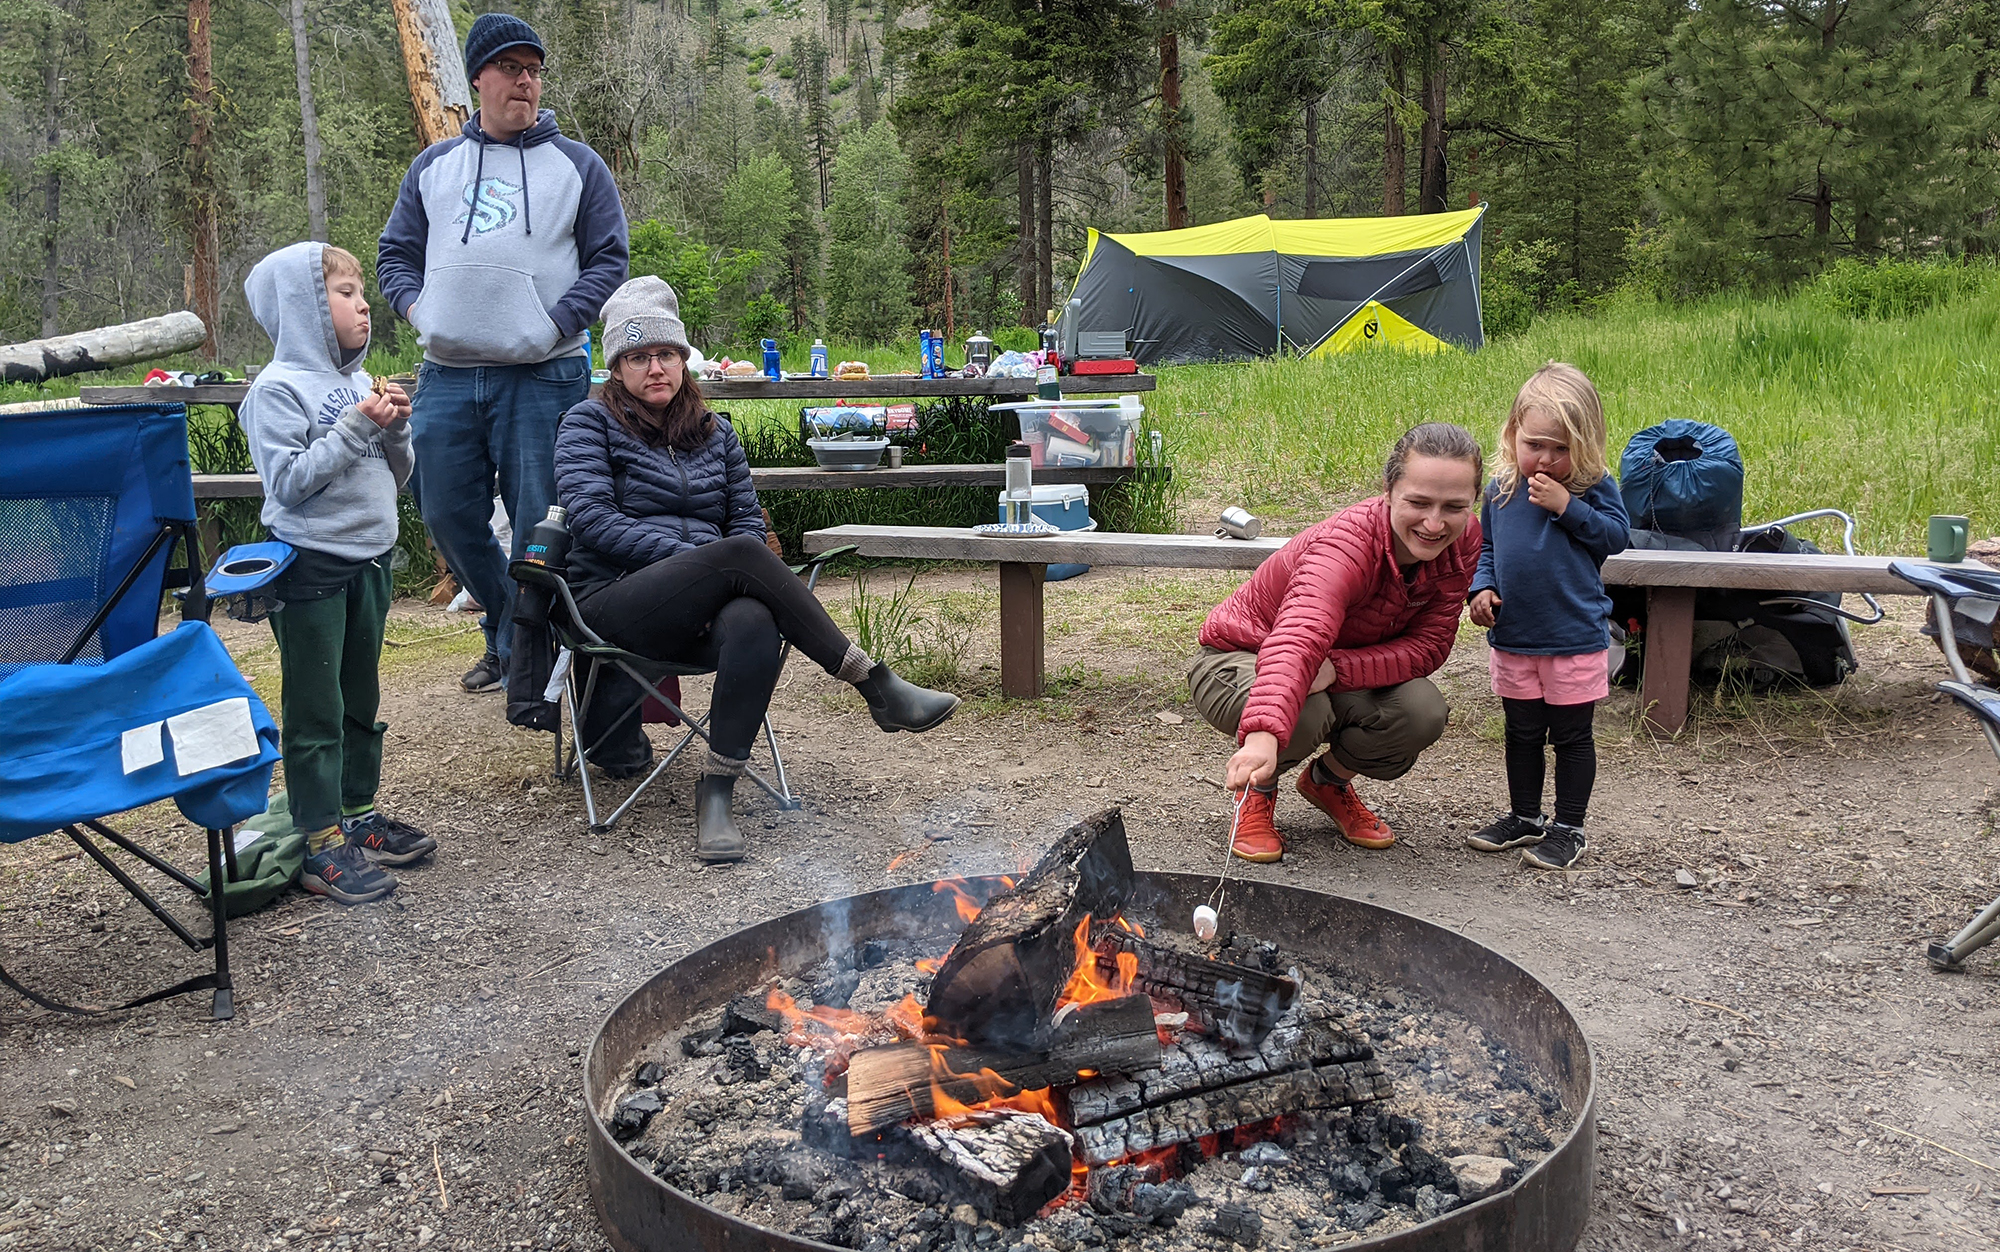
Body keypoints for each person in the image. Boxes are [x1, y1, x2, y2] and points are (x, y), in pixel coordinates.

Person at [552, 277, 961, 862]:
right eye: (638, 357)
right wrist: (696, 560)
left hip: (708, 603)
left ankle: (717, 793)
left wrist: (711, 568)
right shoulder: (586, 425)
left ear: (683, 359)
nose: (655, 368)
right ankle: (874, 683)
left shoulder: (716, 434)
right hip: (615, 602)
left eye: (665, 354)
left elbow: (743, 523)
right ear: (616, 367)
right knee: (742, 556)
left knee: (752, 620)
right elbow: (591, 521)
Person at [376, 12, 629, 694]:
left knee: (541, 520)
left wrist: (553, 324)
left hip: (544, 374)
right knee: (446, 512)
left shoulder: (577, 166)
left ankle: (535, 663)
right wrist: (418, 308)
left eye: (535, 70)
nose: (527, 81)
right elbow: (395, 255)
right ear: (480, 78)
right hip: (449, 375)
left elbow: (609, 261)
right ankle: (509, 636)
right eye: (513, 69)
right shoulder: (434, 167)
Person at [239, 242, 438, 904]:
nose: (363, 305)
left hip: (371, 560)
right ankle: (319, 839)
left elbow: (397, 479)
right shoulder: (276, 390)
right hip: (311, 568)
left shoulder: (359, 385)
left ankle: (356, 813)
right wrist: (356, 429)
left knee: (362, 702)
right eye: (344, 292)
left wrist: (396, 434)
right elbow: (288, 484)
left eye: (362, 292)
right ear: (302, 307)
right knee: (316, 709)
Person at [1192, 423, 1485, 863]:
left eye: (1454, 507)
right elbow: (1298, 639)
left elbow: (1430, 645)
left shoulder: (1464, 541)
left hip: (1336, 665)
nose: (1434, 523)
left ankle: (1327, 781)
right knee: (1306, 709)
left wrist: (1338, 670)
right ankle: (1257, 792)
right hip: (1242, 655)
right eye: (1419, 502)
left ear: (1472, 502)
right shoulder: (1344, 547)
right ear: (1388, 490)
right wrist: (1261, 737)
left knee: (1421, 710)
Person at [1465, 363, 1629, 870]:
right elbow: (1488, 548)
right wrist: (1481, 587)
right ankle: (1526, 816)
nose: (1549, 459)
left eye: (1563, 448)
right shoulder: (1499, 490)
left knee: (1573, 737)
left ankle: (1570, 828)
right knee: (1522, 732)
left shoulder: (1593, 487)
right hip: (1515, 636)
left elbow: (1615, 539)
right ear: (1513, 433)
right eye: (1536, 444)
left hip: (1574, 636)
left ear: (1585, 444)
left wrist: (1567, 506)